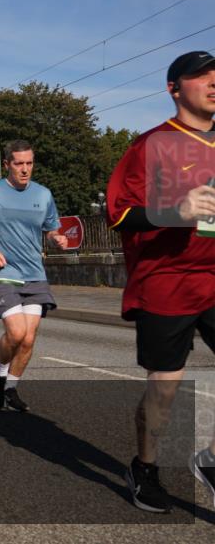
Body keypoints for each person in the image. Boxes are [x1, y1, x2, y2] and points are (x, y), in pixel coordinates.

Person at [106, 50, 215, 513]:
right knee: (164, 389)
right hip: (166, 279)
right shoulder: (151, 144)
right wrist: (177, 212)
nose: (213, 83)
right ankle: (144, 467)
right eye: (200, 76)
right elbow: (119, 214)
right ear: (173, 89)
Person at [0, 139, 67, 414]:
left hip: (35, 273)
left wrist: (57, 238)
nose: (25, 169)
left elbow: (51, 229)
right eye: (19, 164)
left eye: (29, 163)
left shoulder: (43, 194)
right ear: (7, 164)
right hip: (4, 273)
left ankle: (9, 388)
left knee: (29, 340)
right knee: (17, 332)